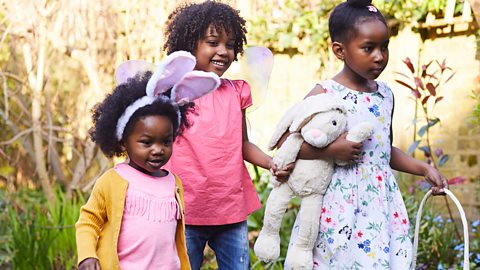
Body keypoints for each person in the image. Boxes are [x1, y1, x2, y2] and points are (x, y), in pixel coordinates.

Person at [282, 0, 449, 269]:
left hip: (380, 205)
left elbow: (384, 149)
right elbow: (286, 143)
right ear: (340, 50)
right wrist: (331, 151)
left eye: (384, 47)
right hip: (337, 207)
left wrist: (423, 168)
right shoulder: (325, 93)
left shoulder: (385, 95)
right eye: (368, 48)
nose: (379, 56)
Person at [162, 1, 292, 269]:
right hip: (185, 210)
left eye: (230, 45)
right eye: (213, 42)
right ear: (189, 43)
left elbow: (243, 144)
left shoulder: (236, 92)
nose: (223, 51)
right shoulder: (174, 93)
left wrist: (271, 163)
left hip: (230, 209)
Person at [75, 50, 220, 270]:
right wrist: (87, 255)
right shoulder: (113, 180)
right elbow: (88, 221)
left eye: (166, 141)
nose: (157, 150)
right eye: (146, 142)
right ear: (124, 142)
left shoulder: (174, 183)